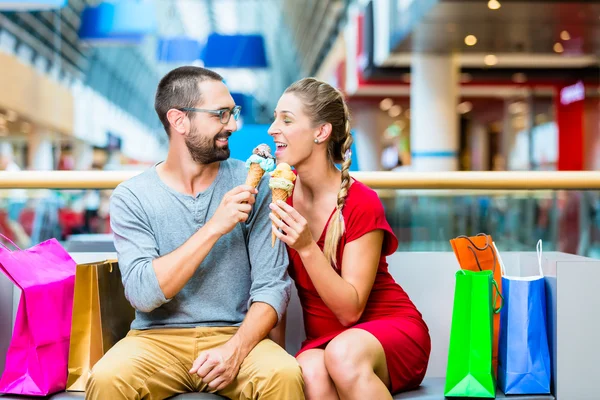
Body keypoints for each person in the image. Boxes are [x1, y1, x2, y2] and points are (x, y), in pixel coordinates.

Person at [86, 66, 304, 400]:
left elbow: (272, 287)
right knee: (106, 380)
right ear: (179, 120)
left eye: (233, 113)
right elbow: (143, 293)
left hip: (237, 334)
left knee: (284, 375)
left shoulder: (255, 185)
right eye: (221, 114)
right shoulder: (132, 196)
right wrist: (215, 227)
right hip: (155, 340)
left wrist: (235, 349)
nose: (232, 125)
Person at [268, 78, 431, 399]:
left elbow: (350, 311)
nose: (273, 128)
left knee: (342, 356)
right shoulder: (279, 195)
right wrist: (275, 357)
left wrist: (305, 247)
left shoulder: (360, 201)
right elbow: (273, 286)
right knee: (309, 373)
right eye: (275, 117)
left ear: (321, 132)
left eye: (286, 120)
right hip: (325, 341)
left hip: (387, 332)